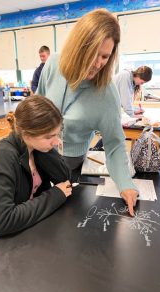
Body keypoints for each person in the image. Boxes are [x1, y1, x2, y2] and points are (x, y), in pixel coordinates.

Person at [37, 9, 139, 216]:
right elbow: (37, 104)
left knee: (65, 224)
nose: (97, 63)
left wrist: (125, 184)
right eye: (93, 53)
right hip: (39, 158)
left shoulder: (107, 93)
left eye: (105, 56)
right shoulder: (53, 64)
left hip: (70, 166)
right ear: (78, 47)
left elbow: (114, 145)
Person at [0, 95, 72, 240]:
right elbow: (1, 222)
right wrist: (55, 195)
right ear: (26, 134)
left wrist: (46, 147)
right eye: (49, 136)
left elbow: (65, 180)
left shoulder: (35, 147)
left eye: (57, 134)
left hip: (31, 227)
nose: (56, 142)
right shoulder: (4, 155)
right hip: (5, 241)